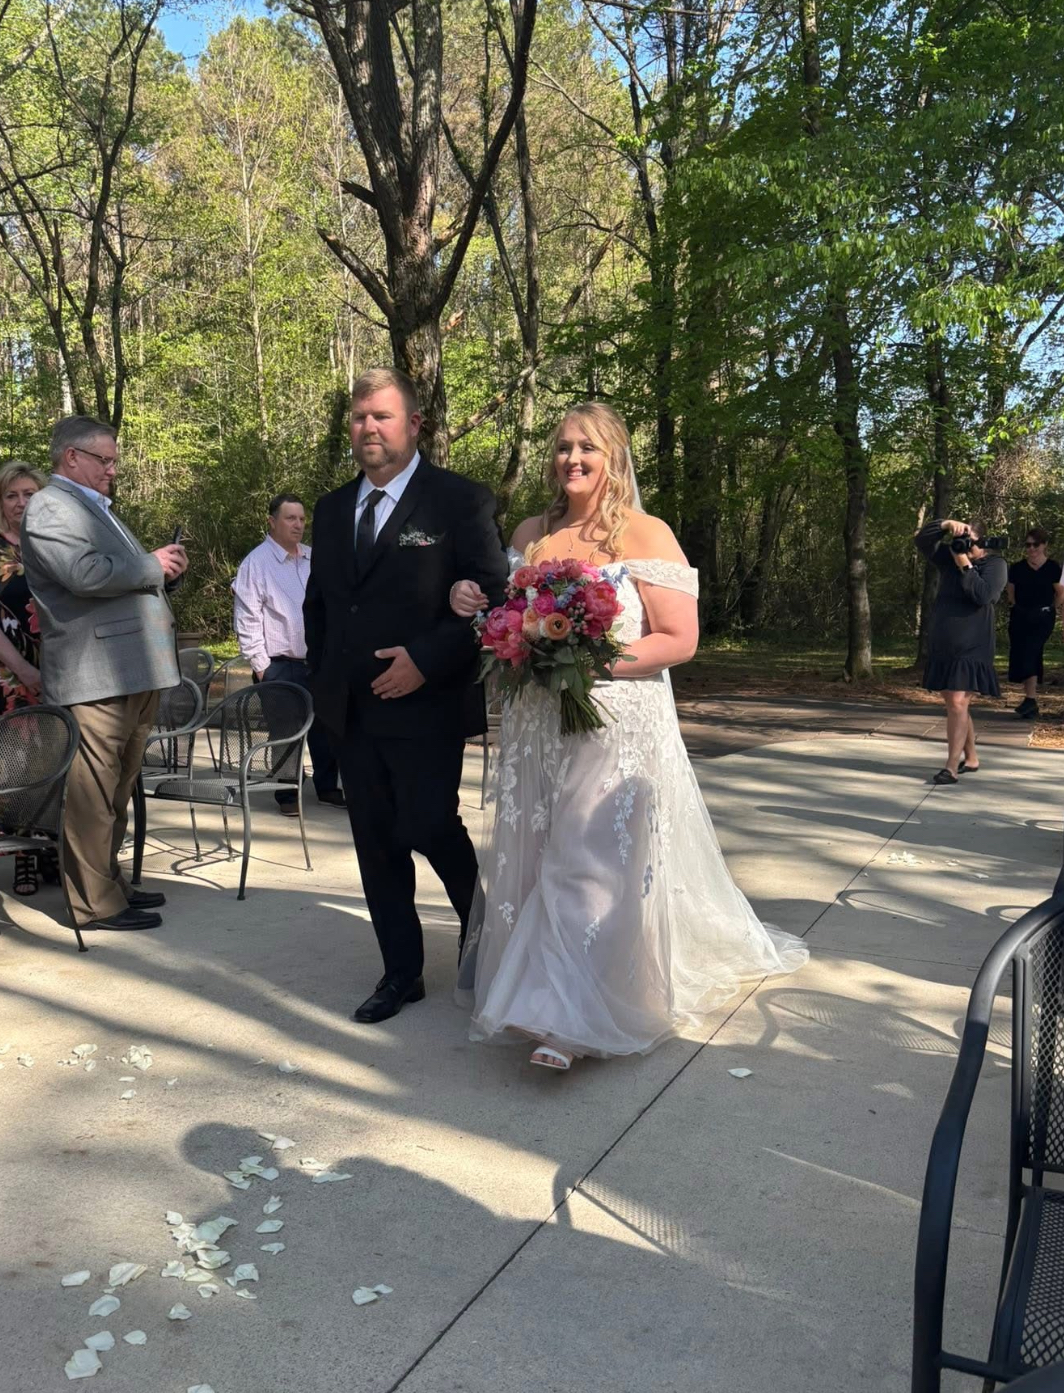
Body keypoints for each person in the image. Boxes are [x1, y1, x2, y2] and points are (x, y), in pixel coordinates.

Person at [448, 402, 808, 1071]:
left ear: (614, 456)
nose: (572, 459)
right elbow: (507, 619)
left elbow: (680, 638)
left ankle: (571, 1017)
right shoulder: (531, 532)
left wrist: (587, 661)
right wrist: (472, 604)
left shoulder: (646, 533)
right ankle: (535, 991)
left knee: (588, 860)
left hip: (613, 718)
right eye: (561, 447)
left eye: (587, 447)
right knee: (537, 848)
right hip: (538, 720)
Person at [303, 367, 509, 1023]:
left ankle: (489, 940)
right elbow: (322, 605)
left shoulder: (459, 501)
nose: (368, 427)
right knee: (377, 843)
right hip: (352, 711)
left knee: (427, 824)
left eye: (382, 416)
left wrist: (426, 658)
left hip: (426, 704)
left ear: (413, 424)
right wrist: (323, 679)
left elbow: (493, 597)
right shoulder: (334, 508)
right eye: (360, 417)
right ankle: (401, 973)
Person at [20, 415, 188, 933]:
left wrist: (162, 573)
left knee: (115, 791)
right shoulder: (49, 506)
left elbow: (118, 579)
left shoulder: (92, 507)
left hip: (130, 672)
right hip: (95, 676)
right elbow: (84, 574)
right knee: (92, 796)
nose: (113, 469)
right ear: (71, 457)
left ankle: (110, 885)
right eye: (105, 459)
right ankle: (93, 904)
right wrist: (151, 565)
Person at [232, 492, 344, 816]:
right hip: (280, 664)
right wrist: (262, 666)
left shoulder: (314, 558)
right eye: (290, 518)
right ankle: (286, 793)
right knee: (285, 732)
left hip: (319, 661)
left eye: (301, 518)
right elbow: (248, 618)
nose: (298, 525)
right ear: (272, 521)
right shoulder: (256, 564)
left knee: (327, 726)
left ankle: (327, 787)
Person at [0, 460, 59, 896]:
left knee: (56, 765)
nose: (22, 503)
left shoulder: (52, 545)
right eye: (12, 495)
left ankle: (50, 851)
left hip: (61, 673)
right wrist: (23, 669)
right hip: (11, 678)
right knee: (17, 769)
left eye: (30, 494)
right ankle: (22, 857)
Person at [915, 518, 1007, 785]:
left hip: (973, 643)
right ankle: (972, 757)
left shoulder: (995, 565)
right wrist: (945, 525)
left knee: (957, 702)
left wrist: (964, 564)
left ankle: (951, 767)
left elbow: (984, 596)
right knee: (956, 704)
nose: (964, 546)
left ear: (982, 542)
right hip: (944, 640)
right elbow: (921, 540)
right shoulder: (949, 556)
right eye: (963, 539)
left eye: (969, 540)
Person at [1006, 526, 1061, 720]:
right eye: (1028, 545)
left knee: (1031, 649)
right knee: (1025, 653)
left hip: (1042, 618)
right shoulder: (1017, 568)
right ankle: (1031, 700)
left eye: (1035, 544)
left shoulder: (1054, 568)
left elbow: (1060, 592)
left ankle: (1030, 700)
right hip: (1021, 616)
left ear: (1044, 545)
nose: (1031, 549)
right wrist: (1014, 605)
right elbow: (1010, 590)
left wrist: (1051, 608)